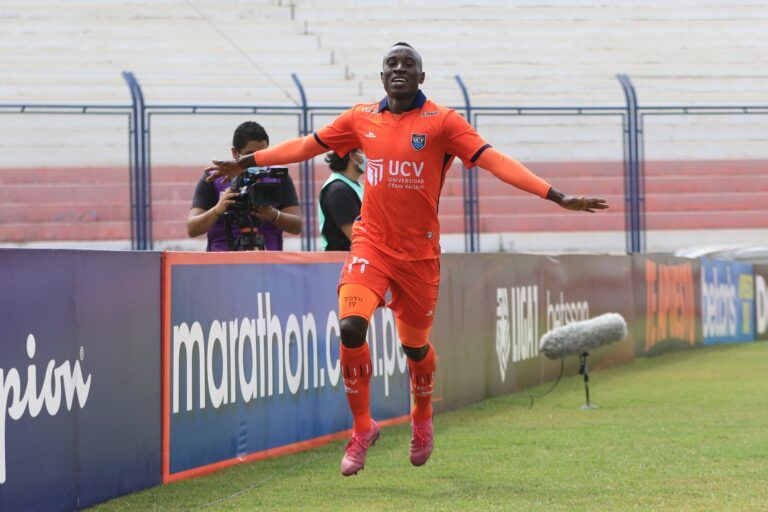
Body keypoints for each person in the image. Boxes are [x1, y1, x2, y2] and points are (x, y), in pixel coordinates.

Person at [204, 42, 608, 475]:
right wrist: (248, 162)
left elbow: (495, 160)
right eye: (391, 64)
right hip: (371, 245)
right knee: (350, 327)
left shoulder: (443, 122)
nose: (399, 69)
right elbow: (307, 145)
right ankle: (363, 428)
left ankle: (421, 418)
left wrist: (556, 195)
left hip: (418, 256)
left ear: (421, 76)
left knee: (414, 348)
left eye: (408, 64)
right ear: (382, 77)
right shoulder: (362, 117)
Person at [187, 121, 302, 251]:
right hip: (223, 263)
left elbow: (297, 226)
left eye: (263, 154)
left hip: (269, 263)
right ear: (235, 153)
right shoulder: (215, 179)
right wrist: (218, 210)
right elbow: (192, 229)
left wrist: (273, 215)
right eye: (250, 154)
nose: (257, 160)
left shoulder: (278, 176)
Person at [318, 149, 365, 251]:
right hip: (340, 262)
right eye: (363, 151)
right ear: (352, 156)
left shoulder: (358, 186)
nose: (369, 157)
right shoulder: (338, 190)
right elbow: (355, 236)